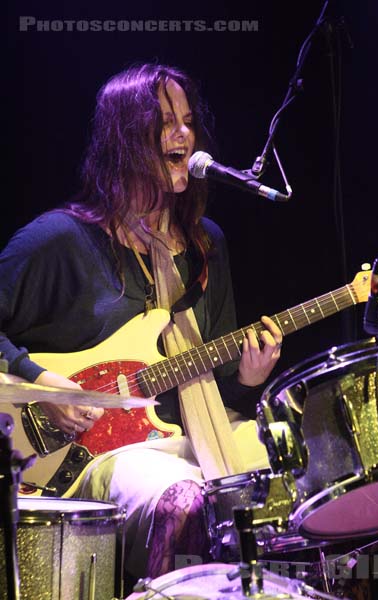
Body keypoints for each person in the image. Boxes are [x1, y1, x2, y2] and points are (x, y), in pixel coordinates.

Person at [0, 63, 282, 584]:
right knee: (184, 497)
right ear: (126, 141)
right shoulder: (59, 242)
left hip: (187, 437)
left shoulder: (206, 247)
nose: (184, 135)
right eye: (166, 122)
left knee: (286, 468)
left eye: (189, 122)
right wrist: (38, 383)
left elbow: (212, 392)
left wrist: (248, 377)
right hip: (93, 460)